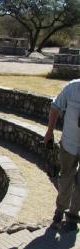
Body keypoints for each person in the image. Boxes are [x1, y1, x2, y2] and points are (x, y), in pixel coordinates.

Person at [44, 79, 80, 232]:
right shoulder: (71, 88)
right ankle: (60, 211)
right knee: (65, 178)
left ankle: (73, 215)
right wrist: (50, 131)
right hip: (69, 143)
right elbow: (55, 106)